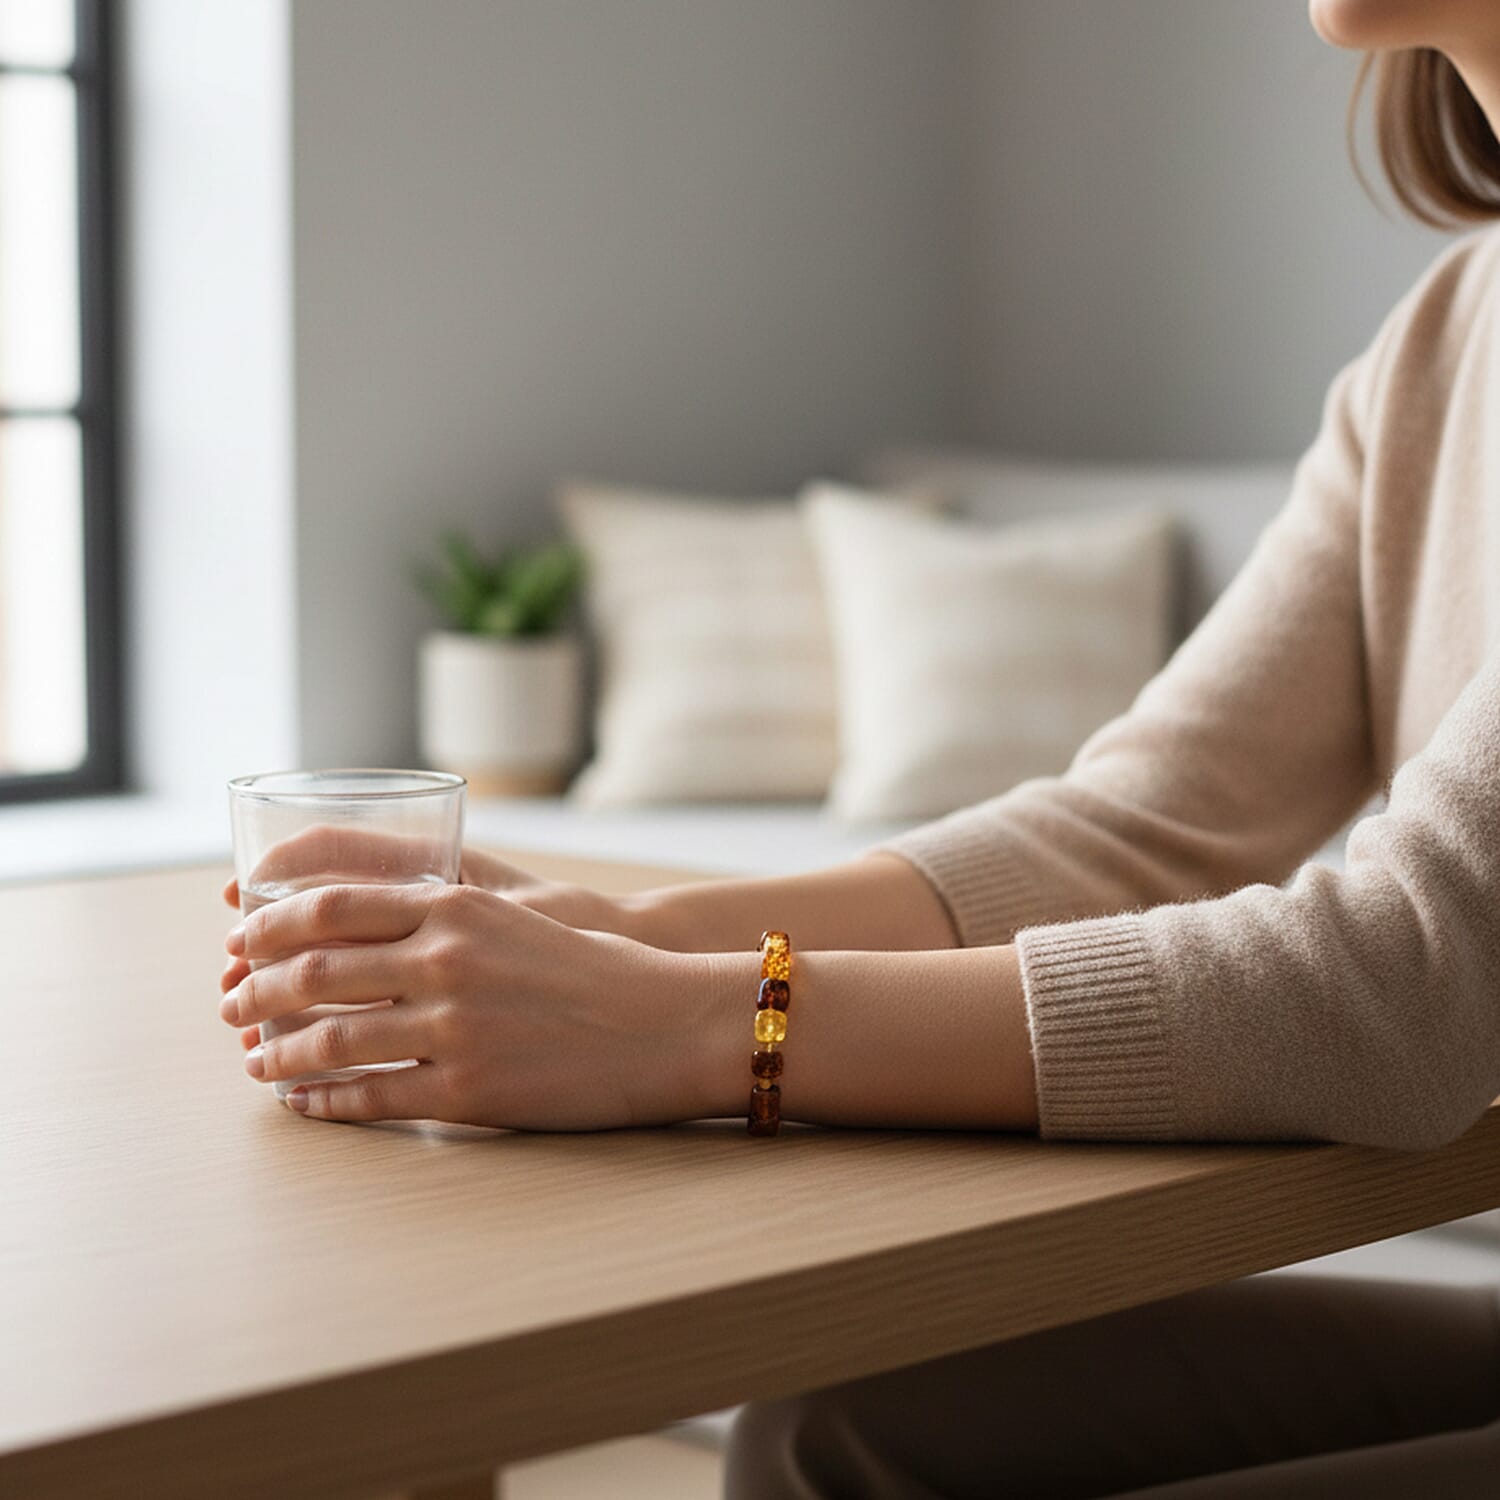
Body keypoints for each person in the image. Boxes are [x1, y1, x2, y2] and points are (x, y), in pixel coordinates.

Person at [218, 1, 1500, 1492]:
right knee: (839, 1437)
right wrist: (621, 939)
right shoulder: (1451, 331)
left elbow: (1402, 991)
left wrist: (693, 1025)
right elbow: (1138, 826)